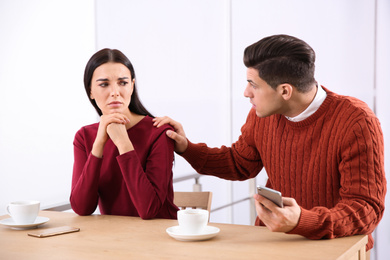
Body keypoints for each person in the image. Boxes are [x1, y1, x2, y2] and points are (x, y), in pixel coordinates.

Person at [153, 34, 386, 251]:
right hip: (273, 245)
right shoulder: (262, 114)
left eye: (253, 85)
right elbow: (239, 163)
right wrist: (186, 147)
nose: (246, 93)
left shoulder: (356, 121)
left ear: (285, 91)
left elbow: (366, 209)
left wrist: (303, 221)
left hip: (336, 249)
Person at [70, 48, 178, 219]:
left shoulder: (159, 132)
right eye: (104, 84)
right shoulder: (84, 136)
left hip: (159, 239)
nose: (115, 92)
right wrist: (99, 143)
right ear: (90, 91)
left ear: (132, 86)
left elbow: (149, 210)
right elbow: (82, 207)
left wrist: (123, 143)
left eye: (122, 83)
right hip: (115, 240)